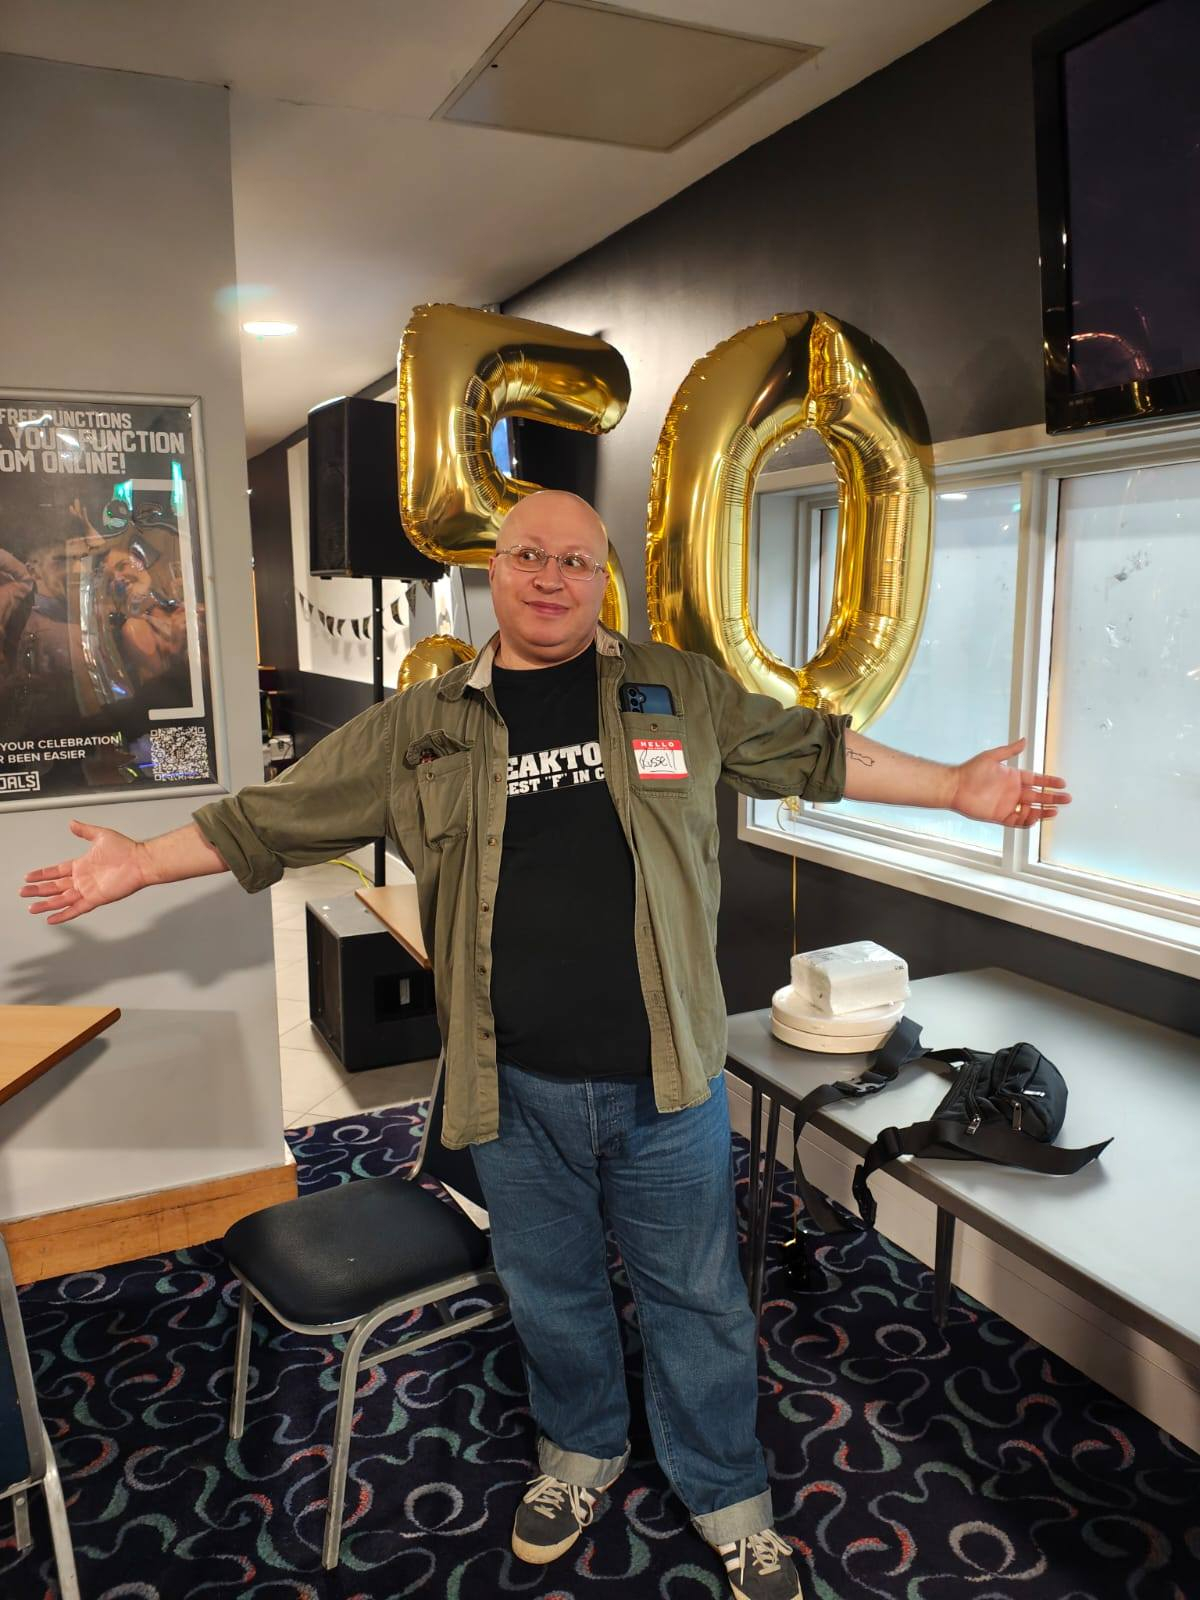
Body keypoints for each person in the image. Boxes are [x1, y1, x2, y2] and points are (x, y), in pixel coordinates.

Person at [20, 490, 1070, 1600]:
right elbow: (272, 818)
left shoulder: (677, 690)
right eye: (529, 555)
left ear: (602, 576)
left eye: (575, 560)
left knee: (698, 1298)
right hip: (511, 1085)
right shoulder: (422, 724)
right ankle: (580, 1451)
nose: (551, 578)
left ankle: (727, 1492)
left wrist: (953, 788)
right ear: (495, 570)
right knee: (551, 1290)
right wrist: (141, 860)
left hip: (667, 1082)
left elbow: (815, 753)